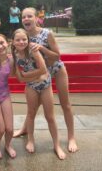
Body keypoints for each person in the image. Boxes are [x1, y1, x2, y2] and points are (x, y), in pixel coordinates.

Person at [14, 7, 78, 153]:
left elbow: (57, 56)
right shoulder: (23, 36)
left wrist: (42, 48)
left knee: (65, 104)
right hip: (41, 74)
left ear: (37, 18)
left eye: (29, 16)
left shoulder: (46, 33)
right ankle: (25, 130)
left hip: (56, 68)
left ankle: (71, 137)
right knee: (33, 108)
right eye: (23, 17)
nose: (26, 19)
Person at [11, 28, 66, 160]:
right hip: (31, 87)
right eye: (18, 40)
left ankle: (56, 145)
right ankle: (30, 140)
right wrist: (30, 77)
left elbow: (42, 69)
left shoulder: (33, 50)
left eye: (24, 39)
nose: (21, 42)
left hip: (45, 86)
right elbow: (20, 78)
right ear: (12, 42)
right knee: (31, 114)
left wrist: (27, 75)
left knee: (50, 117)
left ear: (28, 40)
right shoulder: (14, 56)